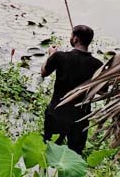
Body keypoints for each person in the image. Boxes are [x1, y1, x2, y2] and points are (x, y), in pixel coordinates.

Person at [41, 25, 103, 155]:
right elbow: (102, 91)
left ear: (75, 39)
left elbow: (44, 72)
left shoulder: (59, 57)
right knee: (74, 156)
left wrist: (51, 55)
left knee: (48, 152)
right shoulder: (97, 65)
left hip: (56, 114)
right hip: (80, 120)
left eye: (71, 36)